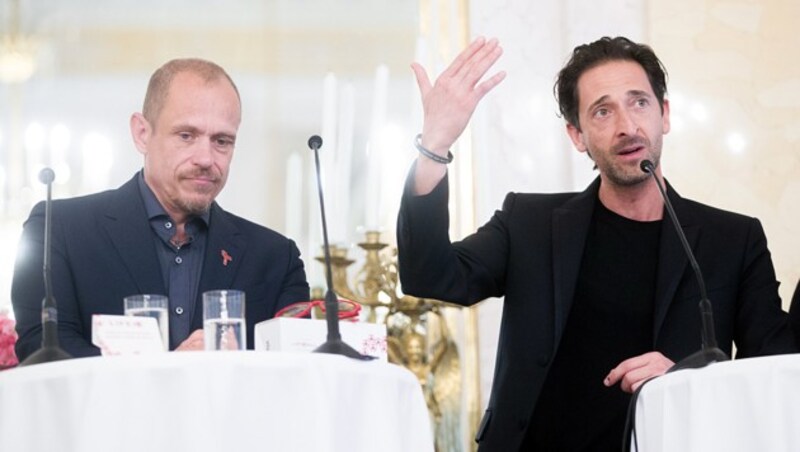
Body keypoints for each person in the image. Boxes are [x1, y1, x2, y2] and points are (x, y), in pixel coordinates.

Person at [397, 36, 797, 451]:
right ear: (577, 135)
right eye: (602, 111)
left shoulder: (732, 240)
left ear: (665, 114)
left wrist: (692, 376)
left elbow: (775, 373)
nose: (627, 125)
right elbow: (430, 275)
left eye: (639, 102)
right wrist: (435, 147)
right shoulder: (529, 224)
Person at [12, 58, 309, 360]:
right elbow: (44, 353)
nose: (205, 158)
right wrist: (169, 369)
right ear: (142, 133)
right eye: (186, 135)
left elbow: (296, 376)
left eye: (222, 141)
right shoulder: (58, 229)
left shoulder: (275, 259)